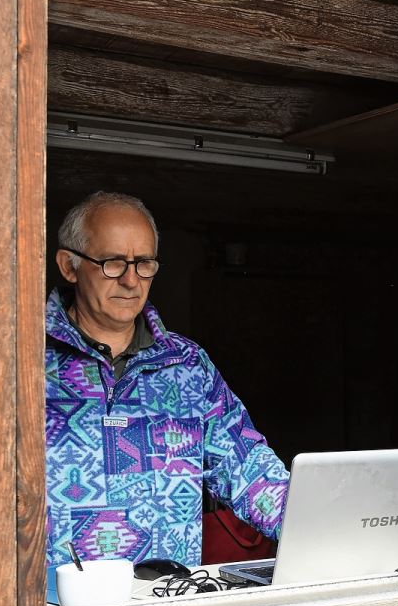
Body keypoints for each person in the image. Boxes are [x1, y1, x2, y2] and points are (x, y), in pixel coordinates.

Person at [45, 191, 288, 568]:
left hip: (167, 604)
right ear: (69, 266)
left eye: (143, 263)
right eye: (112, 263)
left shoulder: (188, 365)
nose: (130, 280)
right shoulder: (20, 362)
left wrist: (330, 530)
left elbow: (251, 472)